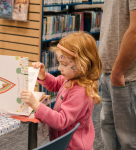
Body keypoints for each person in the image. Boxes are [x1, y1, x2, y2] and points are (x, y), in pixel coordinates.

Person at [21, 32, 102, 150]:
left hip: (73, 146)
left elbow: (61, 121)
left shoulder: (80, 92)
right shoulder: (71, 79)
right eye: (59, 63)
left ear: (82, 65)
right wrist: (43, 76)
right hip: (64, 143)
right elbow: (54, 84)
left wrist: (36, 105)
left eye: (64, 64)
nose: (59, 68)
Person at [99, 1, 136, 149]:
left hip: (126, 76)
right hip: (109, 73)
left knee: (128, 140)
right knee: (110, 135)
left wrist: (118, 71)